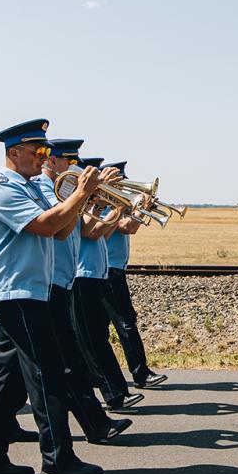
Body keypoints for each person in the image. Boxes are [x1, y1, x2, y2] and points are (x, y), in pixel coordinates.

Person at [0, 119, 104, 474]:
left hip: (31, 290)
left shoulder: (31, 188)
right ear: (13, 153)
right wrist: (80, 195)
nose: (43, 158)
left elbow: (61, 232)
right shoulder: (1, 190)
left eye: (45, 151)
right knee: (47, 374)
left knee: (7, 381)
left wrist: (81, 198)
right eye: (37, 151)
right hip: (17, 291)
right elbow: (44, 226)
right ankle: (58, 460)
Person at [35, 140, 135, 436]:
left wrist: (95, 199)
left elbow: (74, 226)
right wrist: (88, 196)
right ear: (52, 162)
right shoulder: (43, 187)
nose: (75, 167)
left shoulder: (63, 188)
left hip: (59, 279)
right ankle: (94, 424)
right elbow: (62, 225)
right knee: (68, 359)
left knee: (15, 369)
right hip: (45, 281)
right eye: (69, 161)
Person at [69, 156, 138, 411]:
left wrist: (124, 207)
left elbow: (106, 232)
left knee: (93, 336)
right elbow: (91, 232)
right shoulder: (78, 198)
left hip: (95, 272)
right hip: (81, 273)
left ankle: (106, 391)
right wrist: (116, 207)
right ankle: (114, 392)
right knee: (92, 338)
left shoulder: (93, 202)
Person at [99, 159, 166, 389]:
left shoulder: (117, 203)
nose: (125, 188)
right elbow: (129, 227)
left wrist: (140, 208)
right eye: (119, 182)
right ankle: (141, 373)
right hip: (107, 270)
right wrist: (141, 209)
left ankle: (101, 375)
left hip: (114, 268)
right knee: (126, 322)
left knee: (102, 327)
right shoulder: (106, 204)